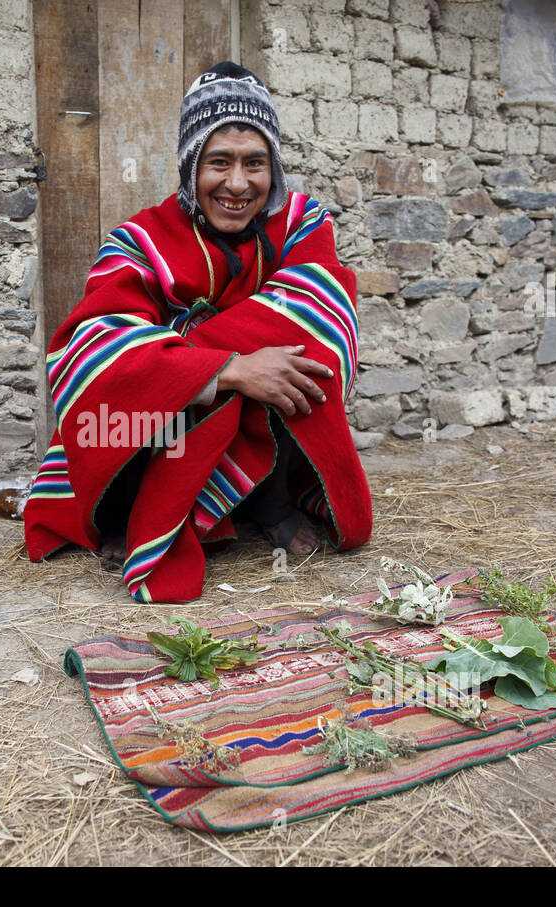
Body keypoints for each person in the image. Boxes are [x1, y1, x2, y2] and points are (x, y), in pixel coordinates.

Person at [24, 62, 372, 603]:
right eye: (219, 163)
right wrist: (228, 369)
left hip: (259, 410)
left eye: (255, 163)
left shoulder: (302, 223)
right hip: (172, 429)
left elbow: (321, 306)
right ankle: (134, 506)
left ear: (273, 169)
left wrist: (196, 355)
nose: (238, 184)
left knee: (303, 353)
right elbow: (89, 348)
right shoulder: (139, 240)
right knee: (119, 397)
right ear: (192, 167)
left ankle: (269, 501)